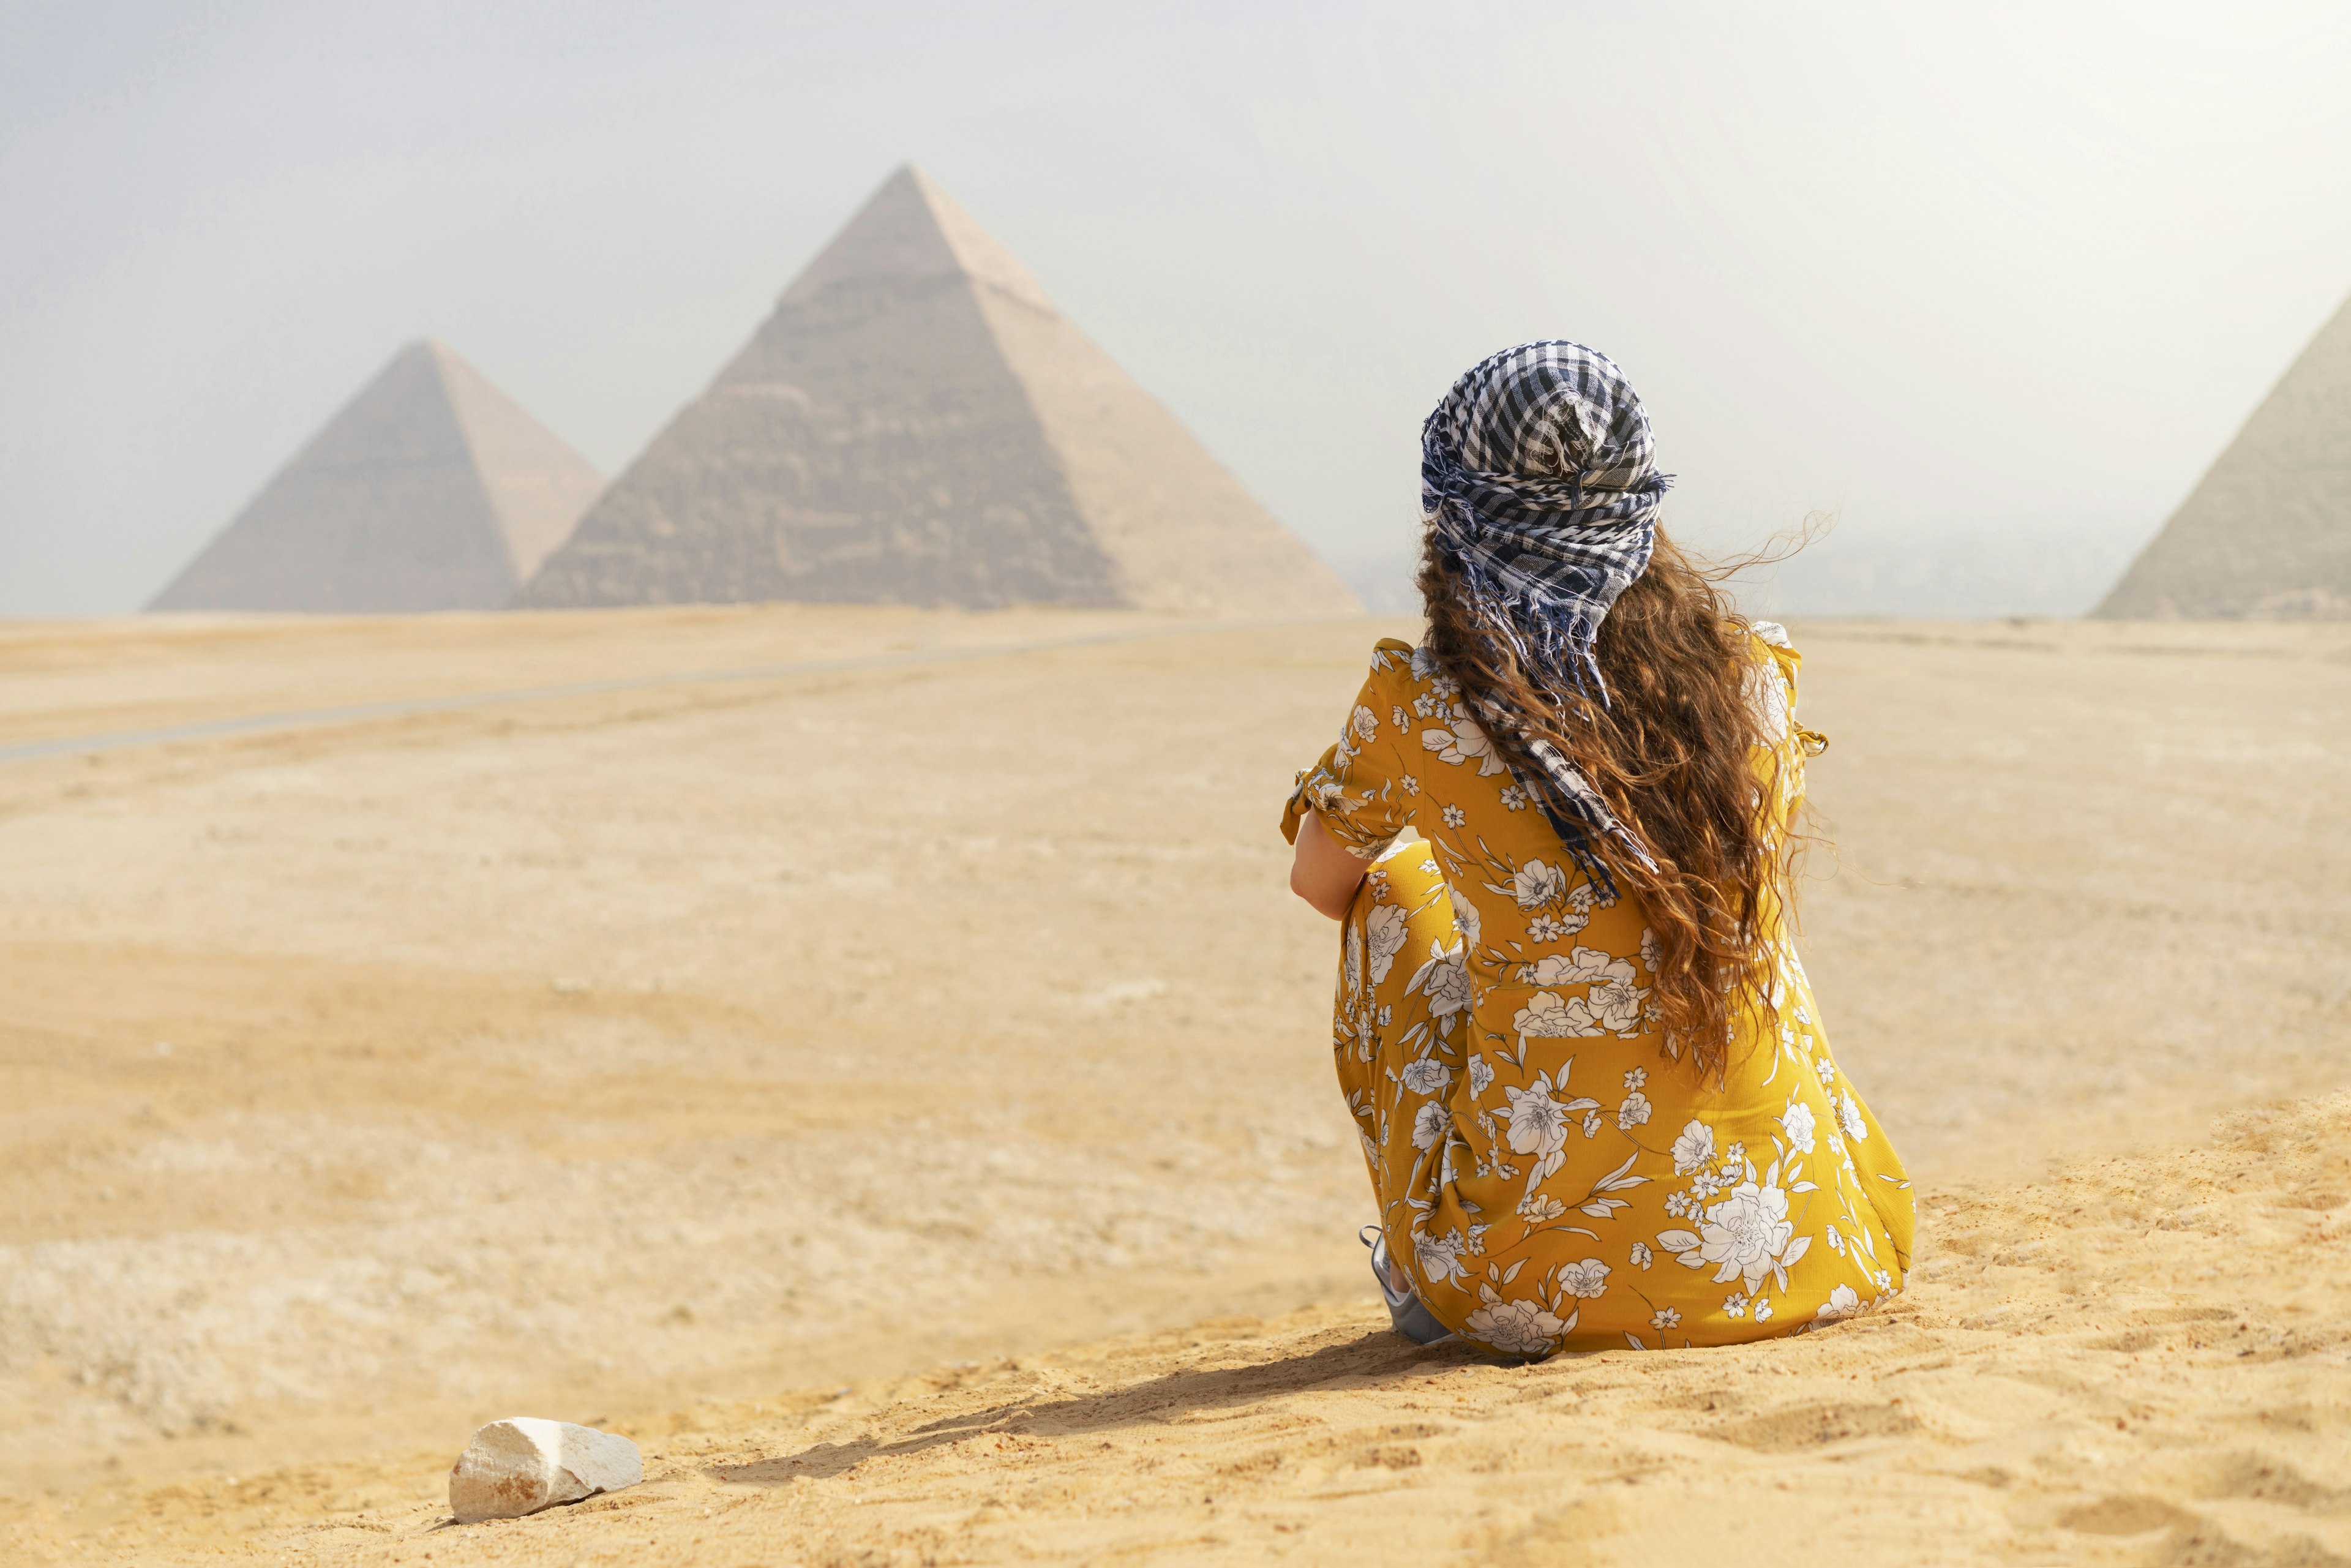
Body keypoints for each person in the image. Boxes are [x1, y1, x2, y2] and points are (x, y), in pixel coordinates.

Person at [1283, 342, 1911, 1357]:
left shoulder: (1424, 706)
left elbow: (1320, 881)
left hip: (1528, 1288)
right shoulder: (1751, 681)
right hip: (1812, 1252)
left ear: (1463, 514)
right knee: (1716, 895)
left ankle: (1424, 1260)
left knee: (1395, 888)